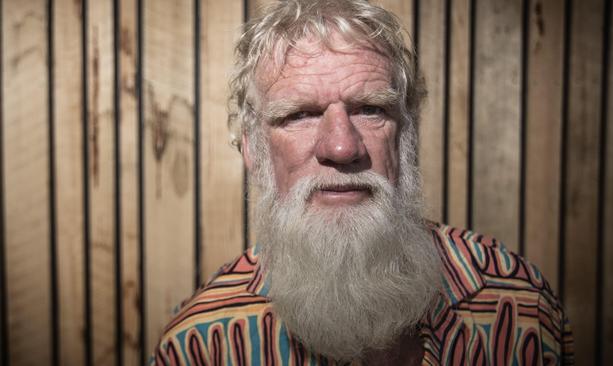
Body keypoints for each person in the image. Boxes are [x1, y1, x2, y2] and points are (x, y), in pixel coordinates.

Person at [151, 0, 573, 364]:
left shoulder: (520, 306)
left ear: (405, 137)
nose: (341, 146)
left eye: (370, 109)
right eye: (299, 114)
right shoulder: (200, 345)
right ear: (254, 151)